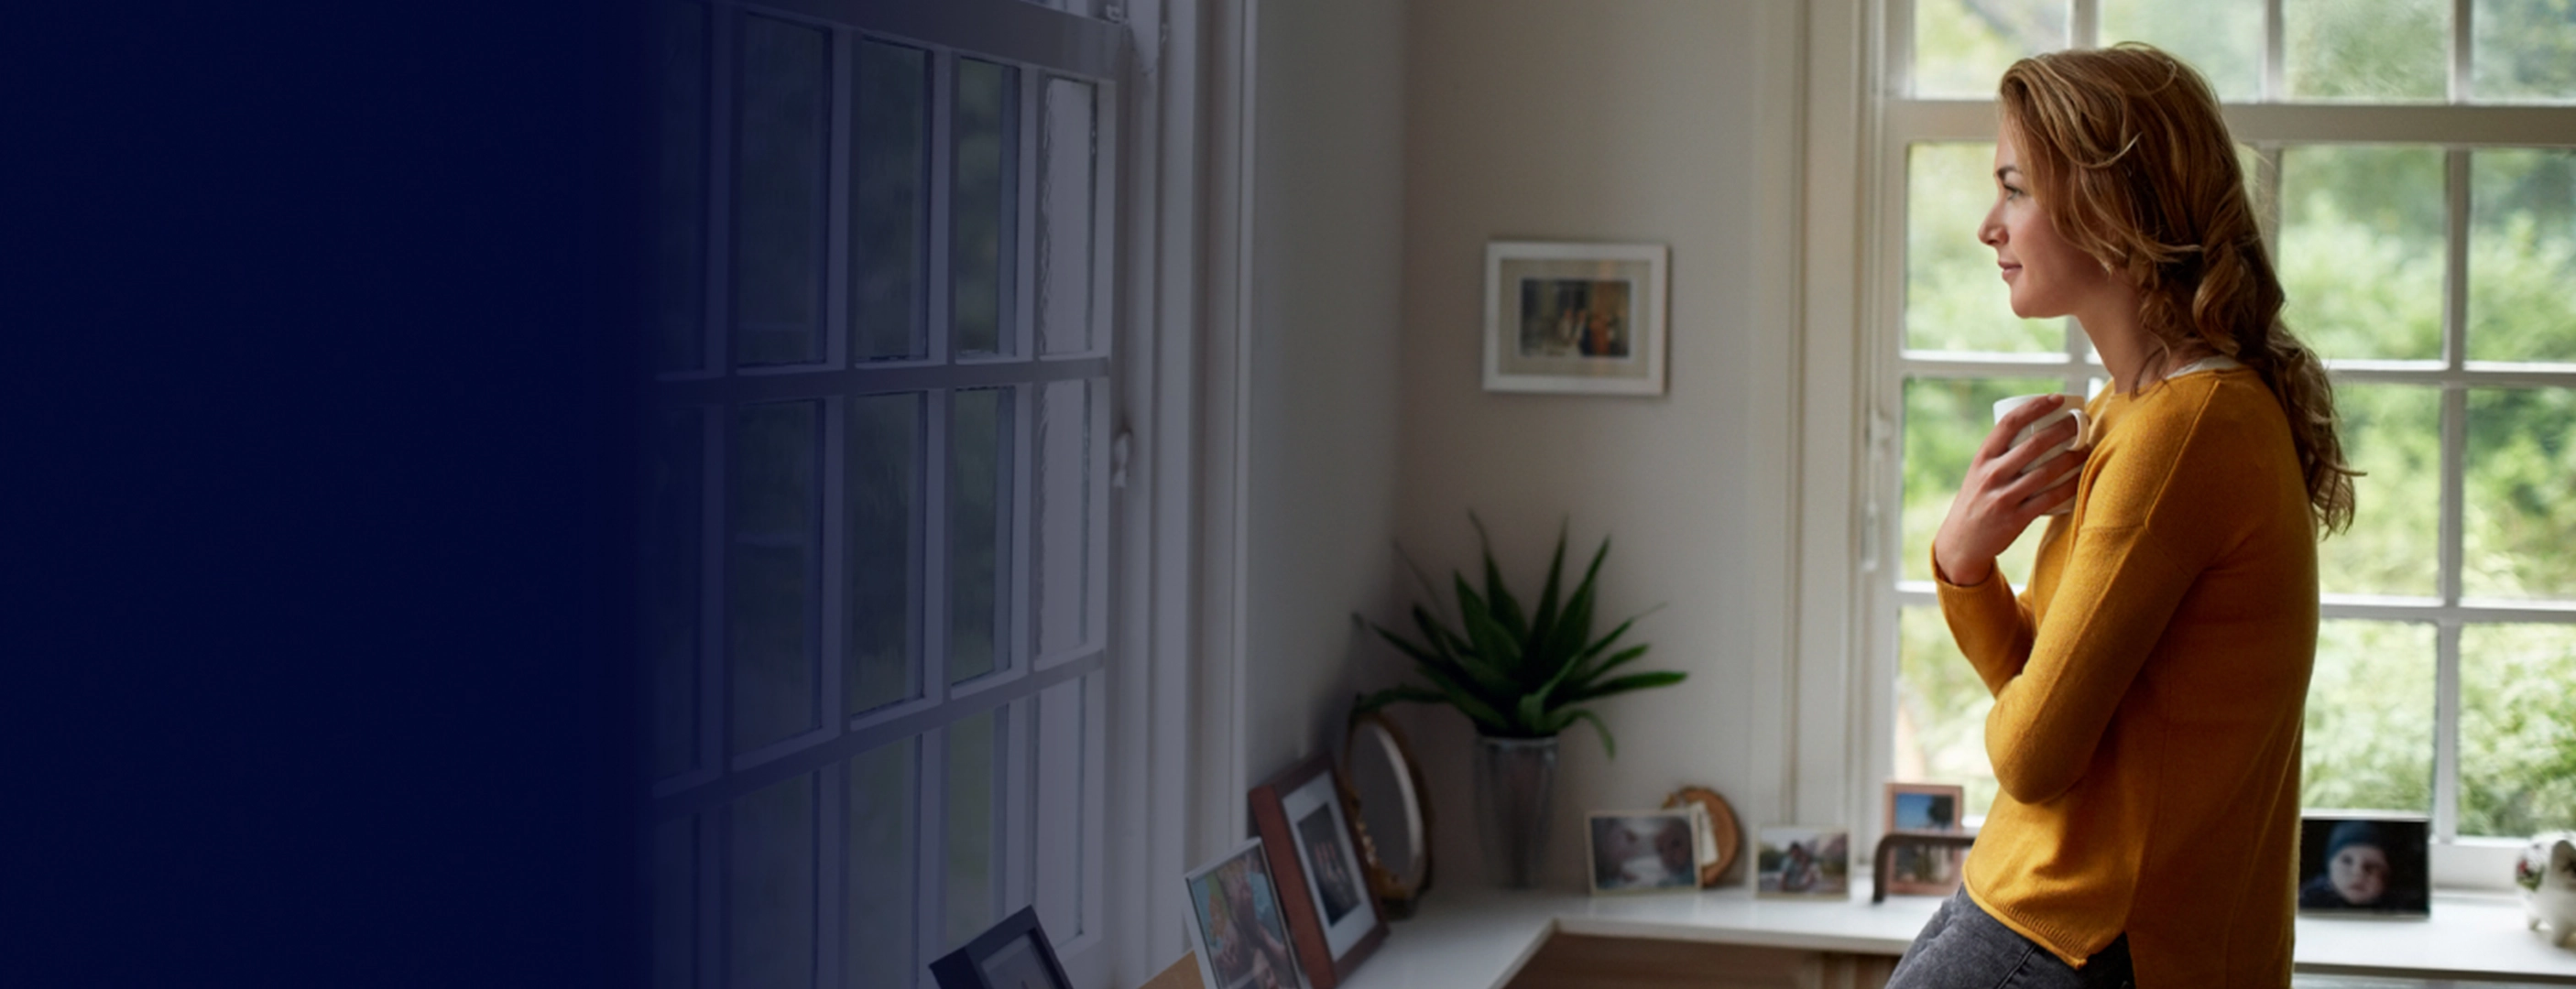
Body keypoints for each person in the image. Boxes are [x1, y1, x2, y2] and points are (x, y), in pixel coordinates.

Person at [1888, 43, 2355, 989]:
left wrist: (1961, 567)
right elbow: (2066, 703)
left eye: (2014, 188)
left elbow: (2030, 752)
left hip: (2083, 939)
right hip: (2038, 913)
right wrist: (1965, 569)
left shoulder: (2181, 433)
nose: (1989, 226)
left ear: (2110, 204)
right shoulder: (2130, 411)